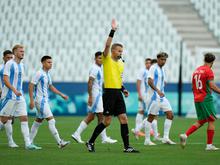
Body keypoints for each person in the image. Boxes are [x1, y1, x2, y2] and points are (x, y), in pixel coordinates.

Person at [85, 19, 139, 153]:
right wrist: (113, 31)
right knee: (107, 121)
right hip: (109, 93)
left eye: (122, 51)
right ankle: (90, 141)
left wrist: (123, 89)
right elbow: (107, 45)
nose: (121, 53)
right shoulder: (107, 59)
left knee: (124, 118)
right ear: (113, 51)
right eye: (119, 51)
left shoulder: (121, 63)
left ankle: (127, 147)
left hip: (118, 93)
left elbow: (119, 80)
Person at [0, 44, 41, 150]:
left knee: (24, 118)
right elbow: (5, 79)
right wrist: (14, 90)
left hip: (19, 97)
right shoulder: (9, 64)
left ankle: (28, 144)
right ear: (15, 52)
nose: (23, 52)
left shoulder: (22, 65)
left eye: (23, 51)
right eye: (20, 51)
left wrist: (19, 92)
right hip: (9, 96)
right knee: (4, 120)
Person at [71, 52, 117, 144]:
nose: (101, 60)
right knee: (101, 116)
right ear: (95, 59)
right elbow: (90, 82)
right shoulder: (95, 69)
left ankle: (77, 134)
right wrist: (90, 97)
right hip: (95, 96)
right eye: (99, 58)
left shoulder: (99, 68)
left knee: (92, 117)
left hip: (98, 95)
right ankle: (103, 138)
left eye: (102, 58)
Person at [180, 53, 220, 151]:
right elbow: (212, 86)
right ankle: (209, 145)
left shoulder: (197, 70)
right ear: (212, 62)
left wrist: (198, 94)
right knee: (211, 120)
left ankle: (185, 135)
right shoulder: (209, 71)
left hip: (197, 98)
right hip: (206, 98)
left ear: (204, 60)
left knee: (202, 120)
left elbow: (193, 86)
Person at [29, 55, 70, 149]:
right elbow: (31, 85)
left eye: (51, 62)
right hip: (41, 101)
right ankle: (60, 142)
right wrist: (31, 100)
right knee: (51, 120)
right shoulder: (39, 73)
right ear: (43, 63)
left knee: (38, 121)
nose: (51, 64)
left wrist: (61, 94)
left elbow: (50, 86)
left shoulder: (47, 74)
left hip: (43, 101)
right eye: (48, 62)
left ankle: (29, 142)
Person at [144, 52, 175, 145]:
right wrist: (157, 90)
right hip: (155, 97)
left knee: (170, 115)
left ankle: (165, 138)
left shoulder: (162, 69)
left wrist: (161, 86)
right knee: (151, 118)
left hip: (162, 97)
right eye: (162, 59)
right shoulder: (153, 68)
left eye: (165, 59)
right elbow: (149, 81)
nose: (163, 61)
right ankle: (147, 140)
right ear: (157, 59)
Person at [131, 58, 159, 139]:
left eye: (150, 63)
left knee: (143, 112)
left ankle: (142, 130)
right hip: (145, 95)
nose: (148, 64)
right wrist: (139, 94)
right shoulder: (143, 71)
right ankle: (139, 130)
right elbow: (138, 82)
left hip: (148, 95)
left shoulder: (151, 72)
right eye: (147, 63)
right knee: (150, 113)